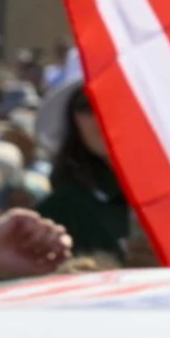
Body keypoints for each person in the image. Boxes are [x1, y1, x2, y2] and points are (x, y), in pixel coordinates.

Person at [34, 79, 130, 259]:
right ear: (72, 122)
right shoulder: (58, 214)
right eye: (87, 105)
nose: (102, 112)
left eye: (115, 98)